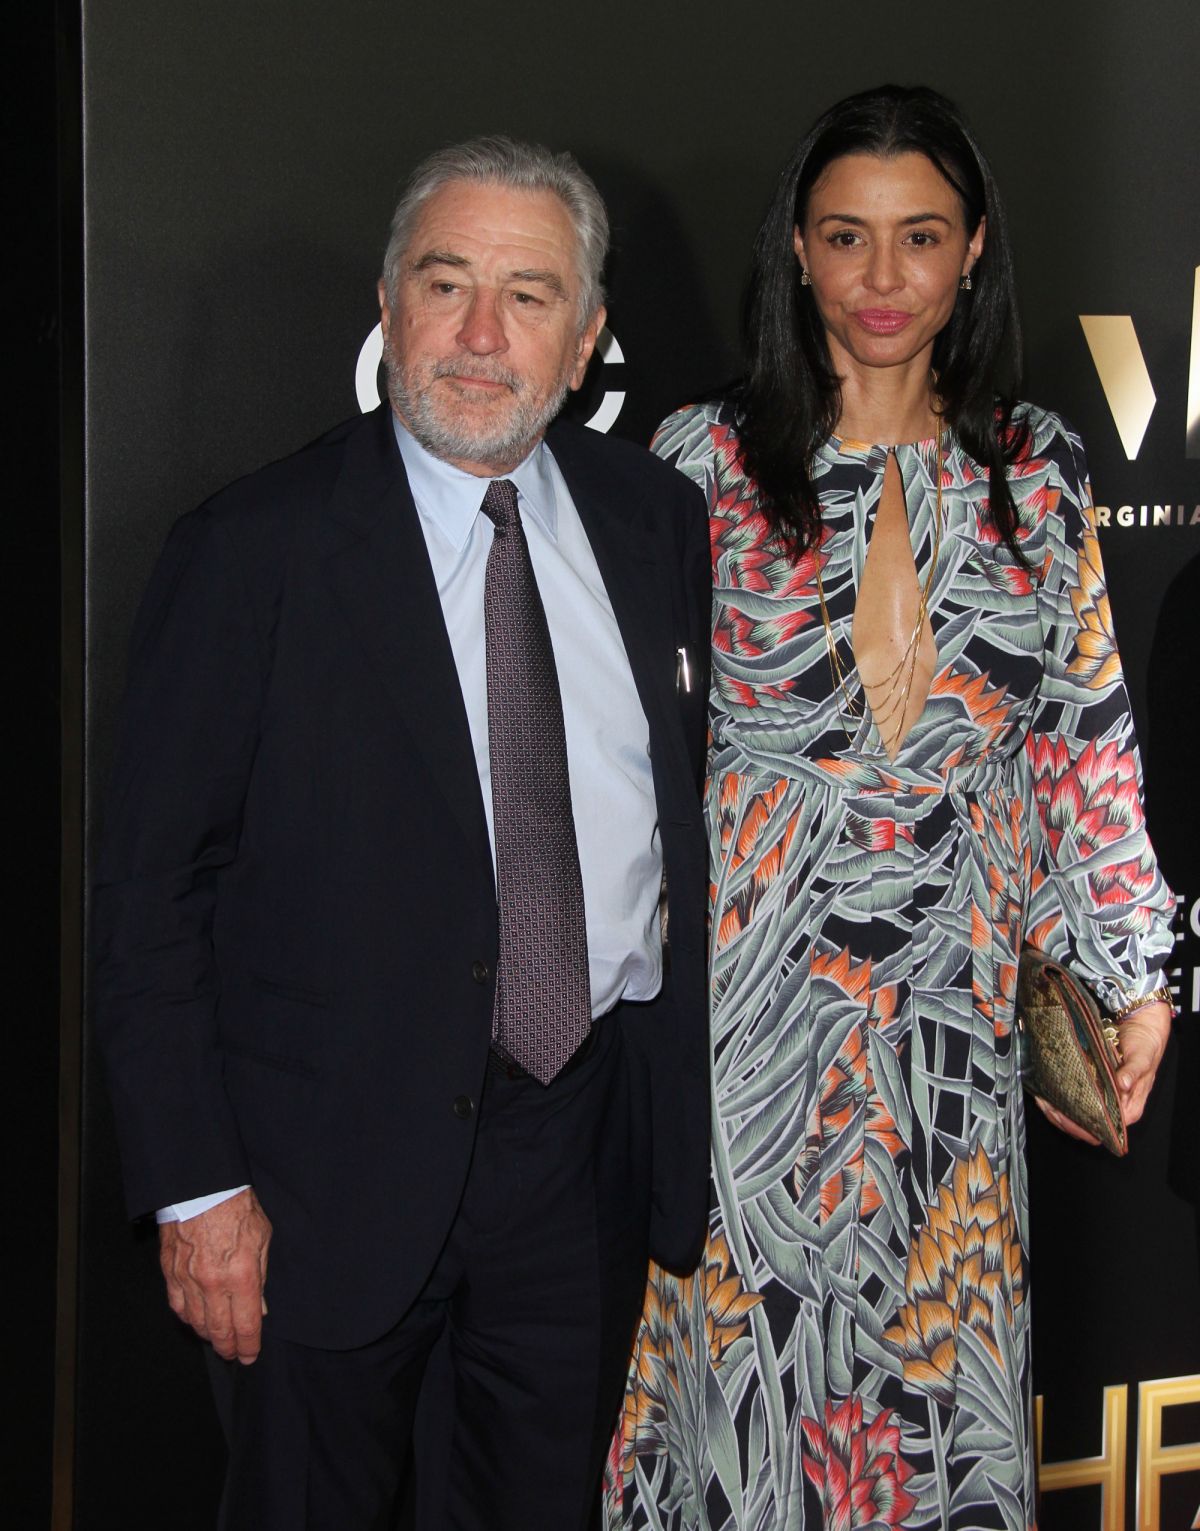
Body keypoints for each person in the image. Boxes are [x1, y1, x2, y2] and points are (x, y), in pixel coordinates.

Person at [93, 135, 712, 1531]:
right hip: (319, 1179)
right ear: (388, 306)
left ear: (587, 339)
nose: (482, 336)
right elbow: (150, 894)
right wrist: (197, 1190)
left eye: (529, 296)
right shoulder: (251, 548)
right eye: (446, 284)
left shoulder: (655, 522)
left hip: (582, 1154)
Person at [606, 86, 1175, 1530]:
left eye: (920, 236)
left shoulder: (1036, 468)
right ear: (796, 250)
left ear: (973, 251)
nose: (881, 276)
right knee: (747, 1396)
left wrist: (1132, 975)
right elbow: (631, 759)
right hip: (750, 1027)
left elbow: (1082, 740)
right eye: (845, 236)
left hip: (951, 1031)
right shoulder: (703, 462)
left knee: (935, 1392)